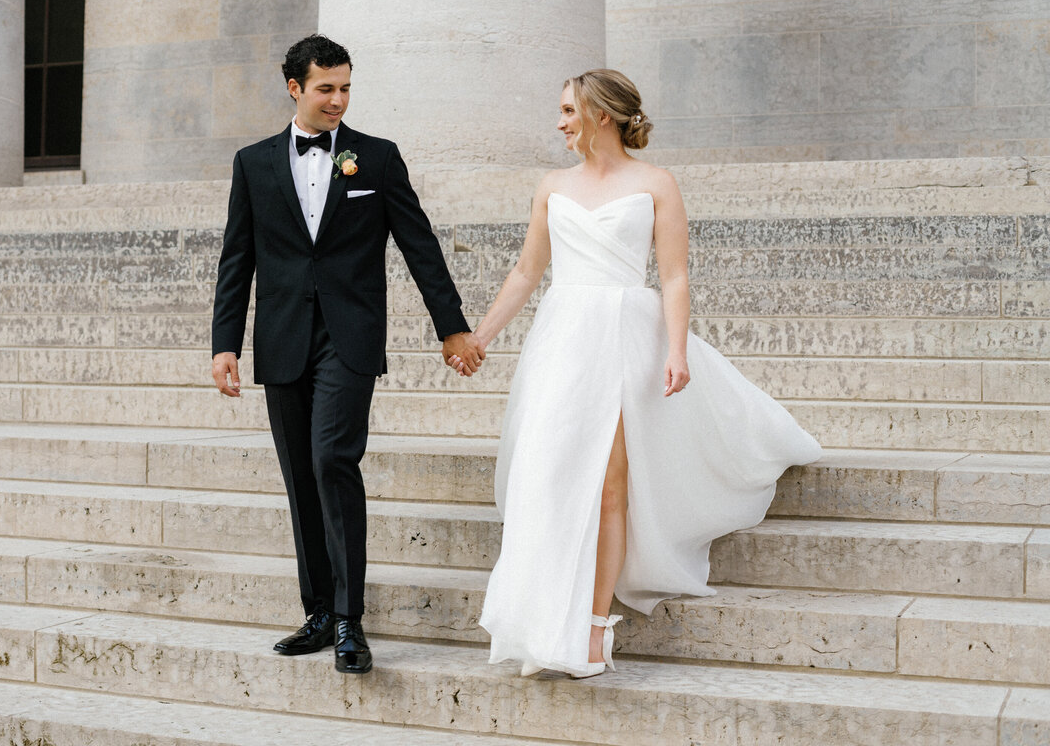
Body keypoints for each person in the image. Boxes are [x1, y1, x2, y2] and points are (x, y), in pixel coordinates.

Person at [458, 69, 823, 678]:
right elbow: (527, 271)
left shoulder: (657, 183)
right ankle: (539, 617)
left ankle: (596, 628)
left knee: (610, 484)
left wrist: (676, 351)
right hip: (564, 341)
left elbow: (674, 275)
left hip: (628, 335)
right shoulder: (552, 185)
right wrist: (479, 338)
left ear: (603, 114)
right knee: (544, 475)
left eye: (569, 110)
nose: (560, 122)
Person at [211, 34, 485, 675]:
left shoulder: (378, 159)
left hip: (350, 337)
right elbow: (237, 258)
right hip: (281, 340)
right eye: (325, 88)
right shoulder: (252, 163)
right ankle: (317, 611)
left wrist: (452, 327)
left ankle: (349, 621)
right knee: (300, 473)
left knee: (333, 457)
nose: (337, 100)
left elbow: (420, 246)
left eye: (346, 88)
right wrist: (225, 342)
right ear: (295, 89)